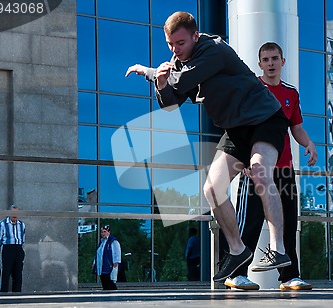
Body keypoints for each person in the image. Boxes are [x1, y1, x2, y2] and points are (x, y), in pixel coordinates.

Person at [126, 11, 291, 282]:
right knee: (212, 188)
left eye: (180, 43)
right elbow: (170, 103)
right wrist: (161, 81)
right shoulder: (180, 63)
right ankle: (238, 250)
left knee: (260, 170)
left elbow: (183, 82)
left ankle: (278, 249)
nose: (175, 50)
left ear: (195, 36)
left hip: (265, 118)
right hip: (237, 129)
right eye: (170, 44)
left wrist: (150, 72)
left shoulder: (214, 49)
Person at [221, 42, 317, 291]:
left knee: (287, 222)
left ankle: (289, 276)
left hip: (284, 168)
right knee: (249, 222)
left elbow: (295, 127)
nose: (271, 63)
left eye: (275, 58)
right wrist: (240, 158)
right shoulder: (252, 88)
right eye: (266, 59)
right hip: (254, 168)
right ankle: (236, 274)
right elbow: (237, 125)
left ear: (282, 61)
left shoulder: (291, 93)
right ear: (260, 63)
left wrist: (309, 144)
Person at [0, 205, 26, 292]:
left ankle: (17, 296)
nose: (14, 215)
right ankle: (3, 296)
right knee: (5, 274)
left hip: (18, 249)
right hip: (7, 249)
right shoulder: (2, 224)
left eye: (16, 212)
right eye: (12, 212)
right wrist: (2, 250)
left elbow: (23, 239)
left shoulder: (22, 225)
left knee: (18, 274)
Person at [93, 225, 121, 290]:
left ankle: (113, 294)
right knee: (104, 280)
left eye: (104, 232)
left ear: (109, 232)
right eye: (102, 232)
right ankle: (106, 292)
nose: (103, 234)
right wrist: (95, 262)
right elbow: (98, 253)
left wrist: (116, 261)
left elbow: (117, 251)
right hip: (101, 265)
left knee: (110, 281)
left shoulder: (113, 241)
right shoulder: (102, 242)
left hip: (109, 265)